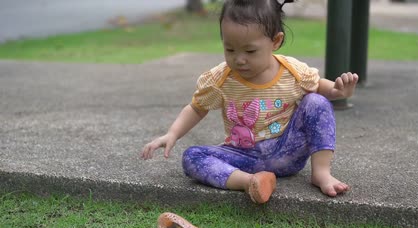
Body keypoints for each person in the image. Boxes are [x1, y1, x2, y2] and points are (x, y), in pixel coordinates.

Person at [141, 0, 358, 203]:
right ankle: (249, 182)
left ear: (276, 41)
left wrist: (338, 91)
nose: (239, 59)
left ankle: (321, 173)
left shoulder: (292, 72)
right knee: (192, 157)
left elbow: (318, 85)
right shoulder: (220, 79)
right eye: (230, 49)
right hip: (242, 156)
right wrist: (172, 133)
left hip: (287, 150)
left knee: (317, 101)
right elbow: (197, 109)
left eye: (250, 50)